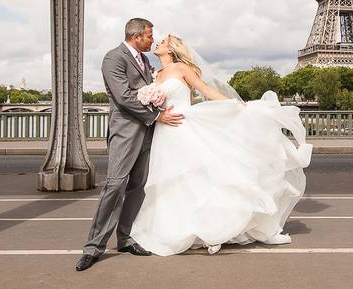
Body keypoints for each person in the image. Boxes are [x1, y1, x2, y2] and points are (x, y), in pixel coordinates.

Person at [128, 34, 311, 255]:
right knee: (175, 184)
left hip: (185, 127)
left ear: (172, 49)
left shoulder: (181, 68)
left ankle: (214, 230)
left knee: (199, 179)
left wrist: (234, 104)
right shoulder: (156, 74)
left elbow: (205, 90)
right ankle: (198, 229)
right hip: (164, 132)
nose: (157, 43)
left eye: (164, 42)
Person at [75, 18, 184, 272]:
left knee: (138, 187)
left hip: (146, 133)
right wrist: (156, 116)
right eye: (149, 36)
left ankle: (124, 238)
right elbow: (124, 97)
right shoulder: (113, 58)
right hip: (125, 132)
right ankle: (93, 247)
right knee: (114, 186)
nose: (152, 40)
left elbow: (147, 92)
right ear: (136, 36)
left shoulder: (145, 61)